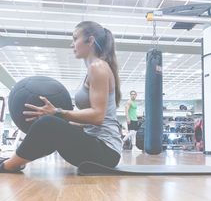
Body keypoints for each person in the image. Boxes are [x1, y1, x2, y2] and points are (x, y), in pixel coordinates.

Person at [0, 21, 122, 173]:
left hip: (105, 152)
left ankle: (9, 165)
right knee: (50, 124)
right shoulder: (94, 68)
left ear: (90, 40)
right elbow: (91, 123)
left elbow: (98, 117)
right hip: (97, 146)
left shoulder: (98, 67)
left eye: (75, 38)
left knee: (49, 123)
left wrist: (57, 113)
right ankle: (15, 160)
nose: (72, 44)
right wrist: (60, 120)